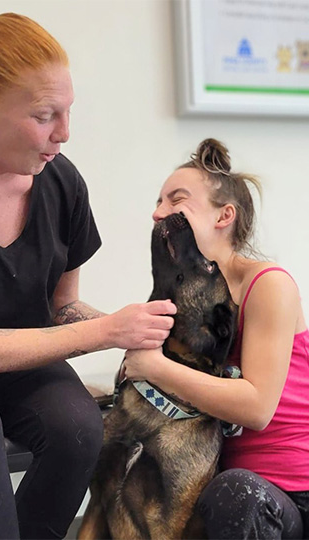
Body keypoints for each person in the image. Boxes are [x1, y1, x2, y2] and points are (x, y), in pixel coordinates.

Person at [0, 1, 177, 539]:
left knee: (80, 426)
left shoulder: (61, 181)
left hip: (14, 358)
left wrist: (137, 335)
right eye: (44, 116)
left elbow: (61, 309)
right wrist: (105, 332)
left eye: (68, 110)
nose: (64, 133)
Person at [124, 138, 309, 539]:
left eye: (176, 200)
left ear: (224, 215)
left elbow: (257, 407)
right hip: (221, 486)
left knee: (234, 493)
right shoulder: (187, 295)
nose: (158, 212)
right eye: (158, 201)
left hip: (290, 493)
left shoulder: (269, 284)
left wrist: (153, 367)